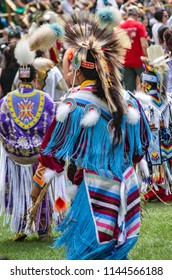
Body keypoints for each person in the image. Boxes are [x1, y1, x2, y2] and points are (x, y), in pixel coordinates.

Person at [31, 11, 151, 260]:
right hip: (125, 185)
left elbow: (51, 153)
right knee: (114, 253)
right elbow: (141, 148)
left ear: (77, 69)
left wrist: (38, 184)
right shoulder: (129, 101)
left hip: (93, 188)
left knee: (88, 253)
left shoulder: (73, 105)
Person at [0, 36, 57, 241]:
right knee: (38, 187)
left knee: (19, 189)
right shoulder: (47, 100)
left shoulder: (6, 101)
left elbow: (2, 124)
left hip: (16, 157)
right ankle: (43, 229)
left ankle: (21, 227)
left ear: (18, 79)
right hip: (38, 157)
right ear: (35, 79)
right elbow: (55, 123)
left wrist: (11, 142)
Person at [136, 44, 172, 202]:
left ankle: (161, 186)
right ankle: (158, 185)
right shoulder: (166, 100)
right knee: (157, 158)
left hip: (161, 139)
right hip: (159, 139)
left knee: (161, 157)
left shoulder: (144, 102)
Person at [120, 5, 148, 92]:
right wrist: (147, 57)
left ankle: (131, 104)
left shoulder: (120, 27)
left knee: (129, 89)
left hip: (125, 61)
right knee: (147, 85)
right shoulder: (139, 26)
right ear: (136, 15)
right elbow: (144, 44)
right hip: (139, 60)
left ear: (127, 15)